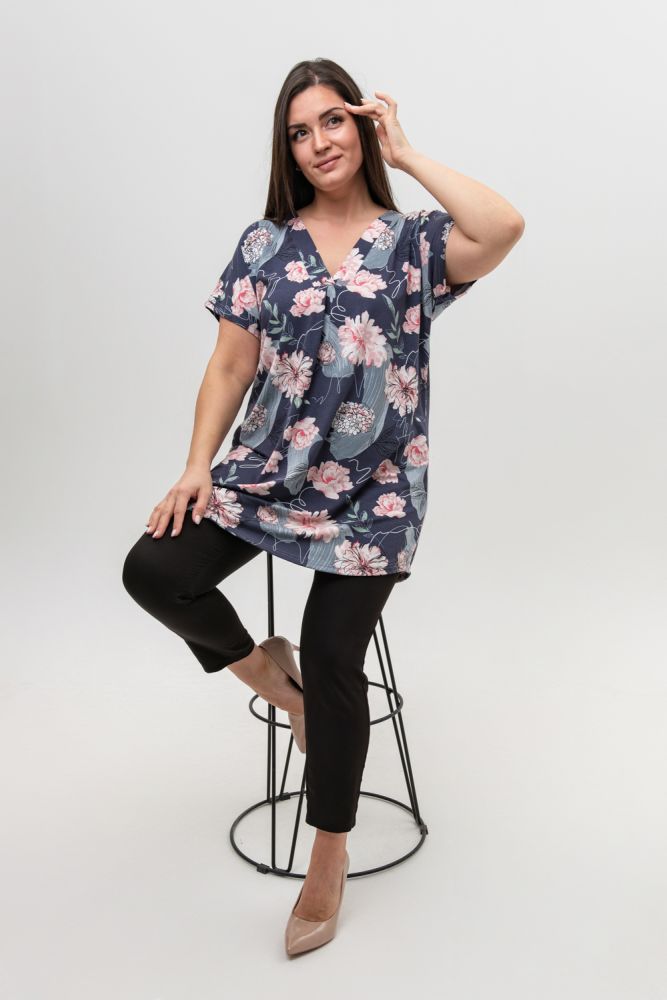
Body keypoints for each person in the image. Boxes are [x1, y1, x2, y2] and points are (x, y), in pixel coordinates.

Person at [122, 57, 525, 957]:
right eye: (298, 132)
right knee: (154, 569)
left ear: (362, 125)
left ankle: (329, 851)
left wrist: (406, 152)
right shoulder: (264, 245)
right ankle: (279, 686)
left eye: (332, 121)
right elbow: (230, 364)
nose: (317, 143)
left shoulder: (415, 244)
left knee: (337, 654)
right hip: (267, 471)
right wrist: (196, 467)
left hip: (375, 492)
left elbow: (502, 227)